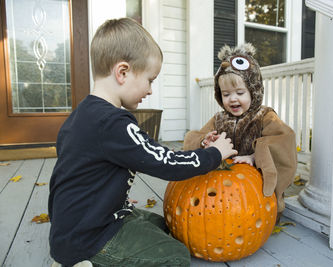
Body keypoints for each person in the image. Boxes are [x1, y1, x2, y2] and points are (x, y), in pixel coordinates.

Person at [48, 18, 237, 267]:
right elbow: (166, 163)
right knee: (175, 256)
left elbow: (78, 176)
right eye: (150, 80)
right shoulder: (113, 123)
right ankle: (85, 263)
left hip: (75, 227)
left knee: (164, 225)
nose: (149, 90)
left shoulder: (81, 116)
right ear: (123, 72)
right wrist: (213, 154)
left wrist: (111, 198)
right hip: (89, 237)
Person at [183, 43, 297, 217]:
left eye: (240, 92)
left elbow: (283, 141)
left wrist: (255, 156)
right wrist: (204, 140)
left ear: (254, 91)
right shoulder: (219, 119)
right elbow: (195, 137)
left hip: (254, 187)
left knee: (252, 212)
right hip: (223, 184)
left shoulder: (265, 116)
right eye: (226, 94)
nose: (232, 99)